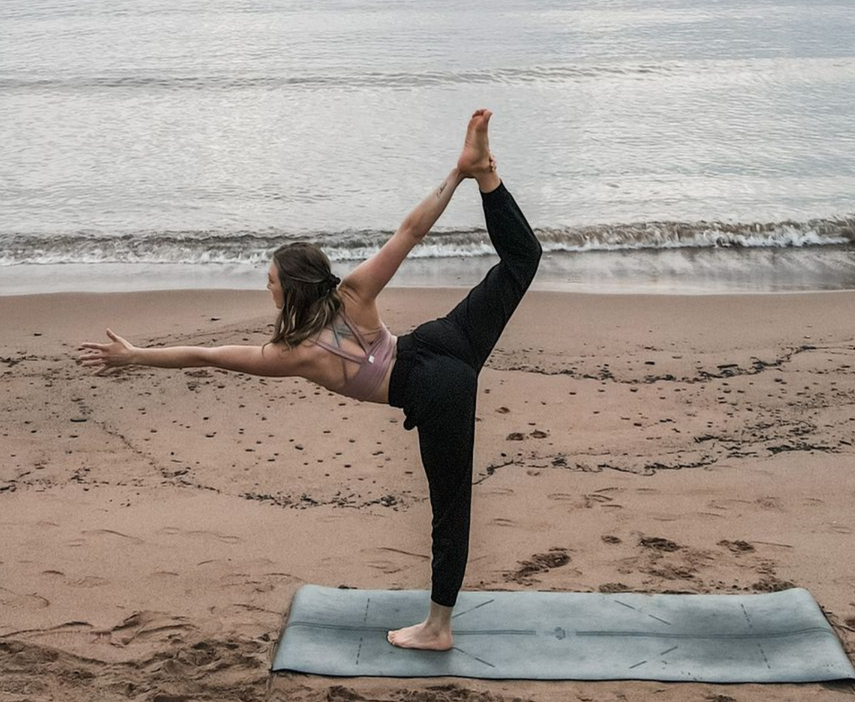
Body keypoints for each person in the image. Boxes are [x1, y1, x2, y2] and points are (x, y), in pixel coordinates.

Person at [78, 108, 541, 651]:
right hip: (442, 342)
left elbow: (205, 355)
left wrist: (136, 357)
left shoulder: (291, 353)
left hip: (435, 389)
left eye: (271, 280)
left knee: (450, 506)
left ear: (291, 288)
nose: (267, 287)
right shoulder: (353, 292)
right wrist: (458, 176)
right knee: (521, 261)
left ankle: (438, 628)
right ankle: (488, 175)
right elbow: (411, 231)